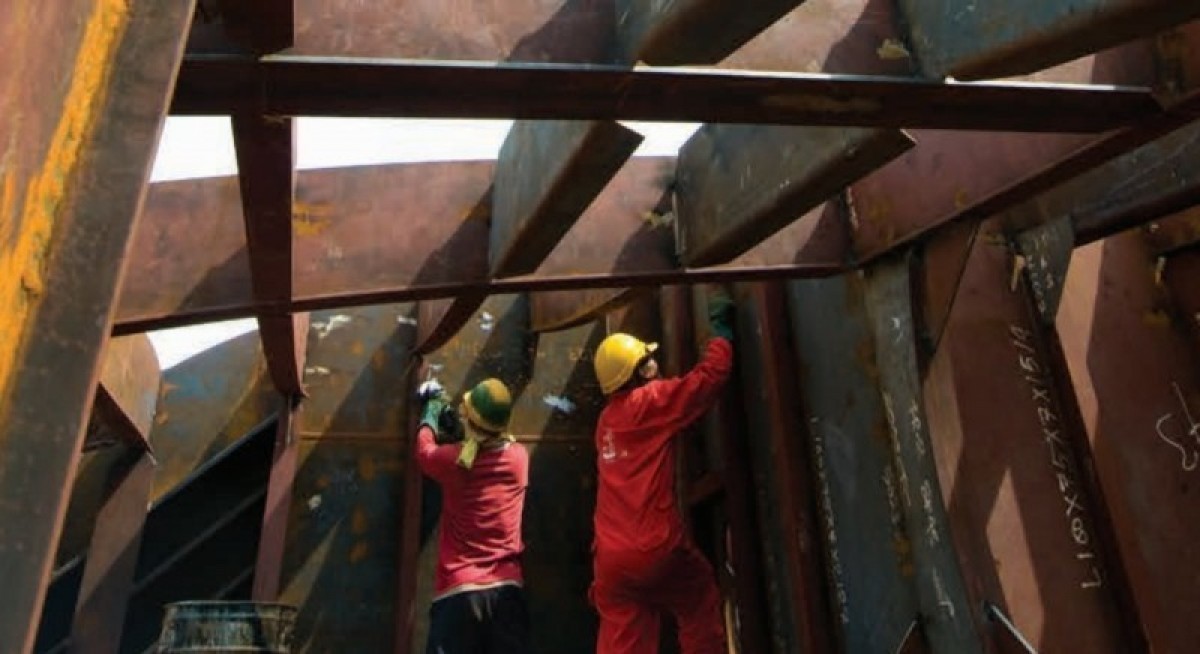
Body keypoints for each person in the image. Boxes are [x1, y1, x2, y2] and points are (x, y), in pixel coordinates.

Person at [588, 289, 737, 654]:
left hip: (611, 562)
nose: (654, 366)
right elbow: (708, 380)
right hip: (654, 548)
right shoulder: (650, 402)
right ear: (637, 372)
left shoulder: (606, 422)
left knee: (624, 638)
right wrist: (721, 335)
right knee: (698, 598)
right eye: (648, 362)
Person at [415, 377, 531, 654]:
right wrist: (462, 432)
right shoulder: (519, 459)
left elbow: (424, 451)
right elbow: (487, 447)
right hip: (506, 591)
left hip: (459, 592)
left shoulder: (453, 461)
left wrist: (430, 414)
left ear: (471, 420)